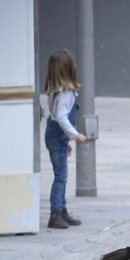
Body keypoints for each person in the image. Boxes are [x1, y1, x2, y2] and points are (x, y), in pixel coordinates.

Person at [42, 50, 88, 230]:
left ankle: (62, 210)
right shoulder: (66, 93)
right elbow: (61, 117)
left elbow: (55, 116)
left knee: (61, 175)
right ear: (69, 69)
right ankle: (55, 213)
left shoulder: (56, 92)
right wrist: (74, 134)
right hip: (57, 134)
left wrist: (65, 140)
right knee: (60, 176)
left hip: (54, 135)